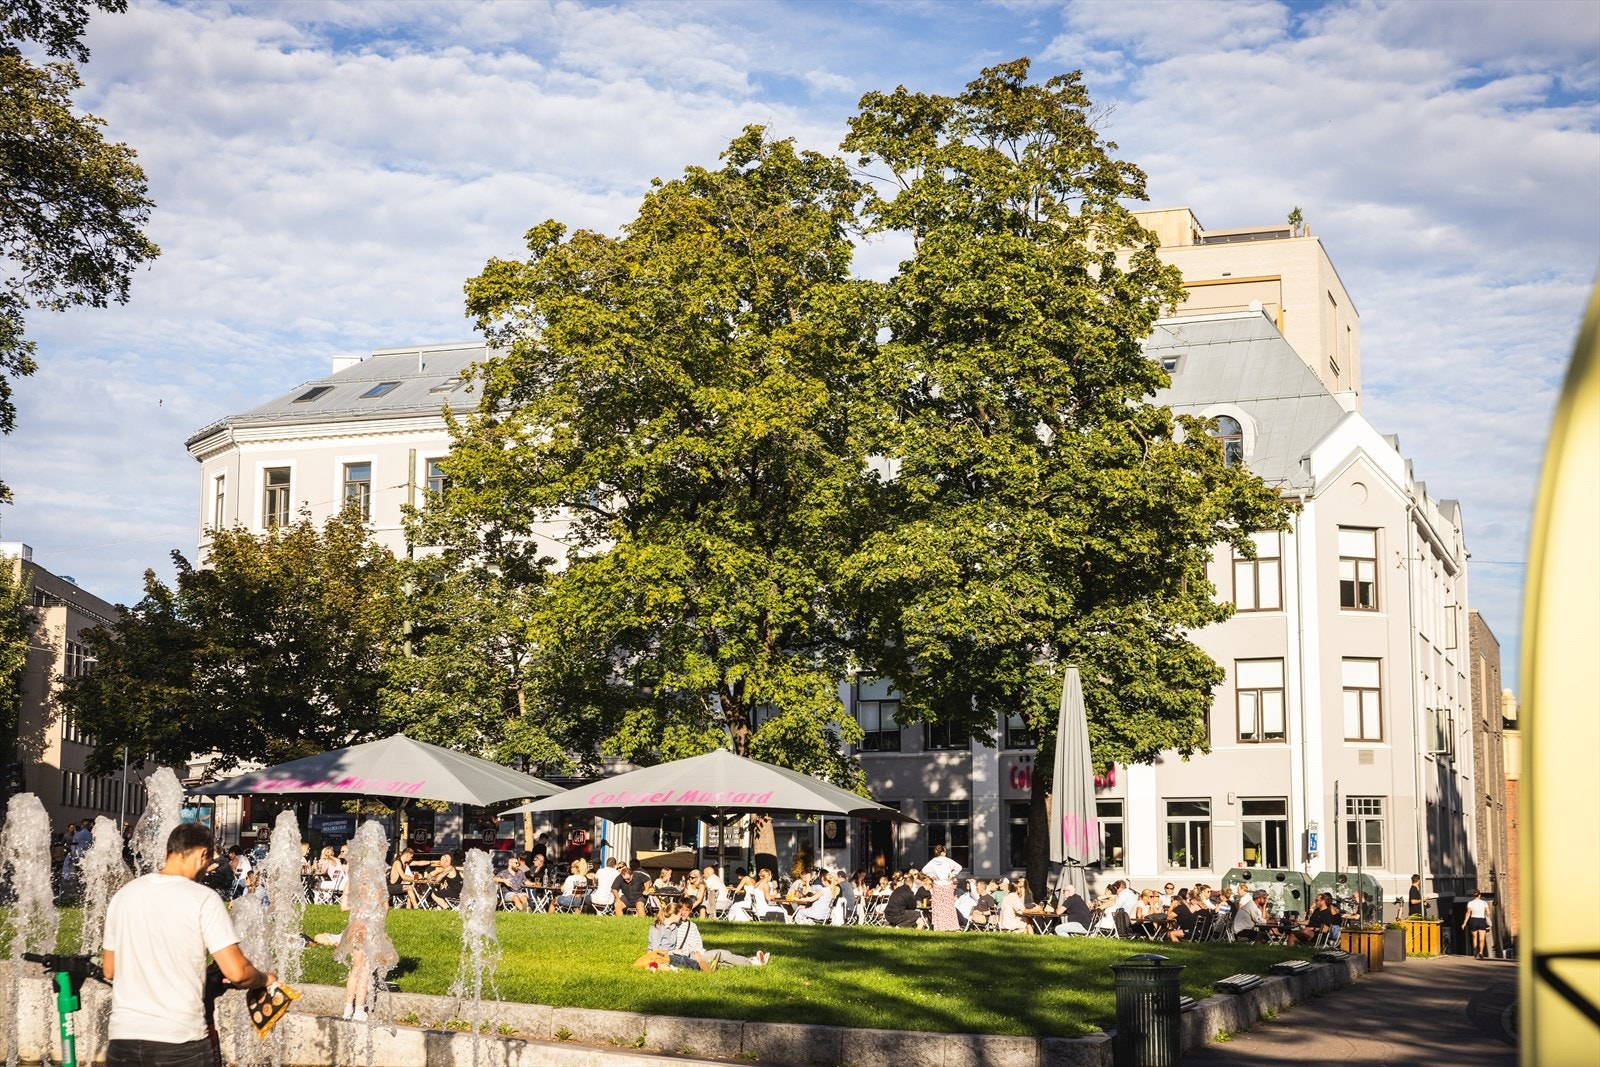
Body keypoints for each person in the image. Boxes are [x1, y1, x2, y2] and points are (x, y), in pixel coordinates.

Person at [102, 822, 276, 1067]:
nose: (207, 869)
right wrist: (264, 979)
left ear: (167, 853)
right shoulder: (203, 899)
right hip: (180, 1042)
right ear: (203, 854)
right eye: (208, 862)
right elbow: (237, 972)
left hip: (123, 1040)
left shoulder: (124, 895)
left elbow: (109, 969)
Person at [647, 902, 769, 969]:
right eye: (681, 911)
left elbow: (698, 944)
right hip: (681, 956)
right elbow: (657, 949)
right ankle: (753, 963)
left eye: (687, 910)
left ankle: (751, 962)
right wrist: (679, 951)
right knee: (721, 961)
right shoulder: (666, 926)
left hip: (693, 953)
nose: (683, 913)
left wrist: (697, 952)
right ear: (675, 914)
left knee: (721, 954)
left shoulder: (688, 926)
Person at [921, 844, 962, 932]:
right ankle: (951, 926)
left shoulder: (933, 861)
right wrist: (951, 875)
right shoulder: (948, 861)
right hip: (947, 884)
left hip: (938, 884)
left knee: (939, 907)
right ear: (943, 852)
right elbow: (959, 867)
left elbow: (924, 870)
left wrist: (932, 876)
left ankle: (939, 926)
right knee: (949, 906)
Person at [1463, 889, 1491, 959]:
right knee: (1481, 939)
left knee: (1474, 938)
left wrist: (1464, 922)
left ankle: (1475, 952)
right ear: (1480, 895)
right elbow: (1488, 913)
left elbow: (1468, 913)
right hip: (1481, 920)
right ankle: (1481, 952)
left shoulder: (1470, 903)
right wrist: (1486, 913)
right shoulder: (1484, 903)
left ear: (1474, 895)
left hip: (1473, 920)